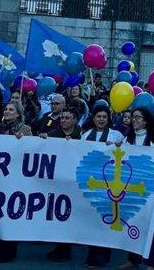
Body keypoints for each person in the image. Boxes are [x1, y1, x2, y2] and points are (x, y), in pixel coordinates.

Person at [118, 107, 154, 270]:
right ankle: (133, 259)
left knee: (151, 225)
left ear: (146, 120)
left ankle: (151, 263)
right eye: (133, 117)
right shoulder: (128, 138)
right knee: (133, 223)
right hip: (132, 189)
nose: (134, 120)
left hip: (150, 191)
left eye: (138, 117)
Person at [0, 101, 32, 263]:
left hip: (15, 179)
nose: (7, 111)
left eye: (11, 109)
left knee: (9, 215)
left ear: (18, 113)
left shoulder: (25, 130)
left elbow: (31, 151)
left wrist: (23, 141)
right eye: (6, 109)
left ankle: (8, 251)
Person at [82, 105, 125, 268]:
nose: (101, 119)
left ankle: (103, 255)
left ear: (108, 119)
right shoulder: (86, 136)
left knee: (104, 220)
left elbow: (123, 154)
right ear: (93, 119)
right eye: (98, 116)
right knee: (91, 220)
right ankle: (92, 253)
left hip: (109, 183)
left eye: (104, 117)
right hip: (91, 182)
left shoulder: (116, 135)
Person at [42, 108, 81, 262]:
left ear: (75, 120)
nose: (63, 120)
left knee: (69, 215)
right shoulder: (52, 135)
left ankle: (66, 250)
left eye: (67, 118)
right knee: (56, 215)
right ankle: (59, 247)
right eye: (62, 118)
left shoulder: (82, 136)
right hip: (55, 182)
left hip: (72, 182)